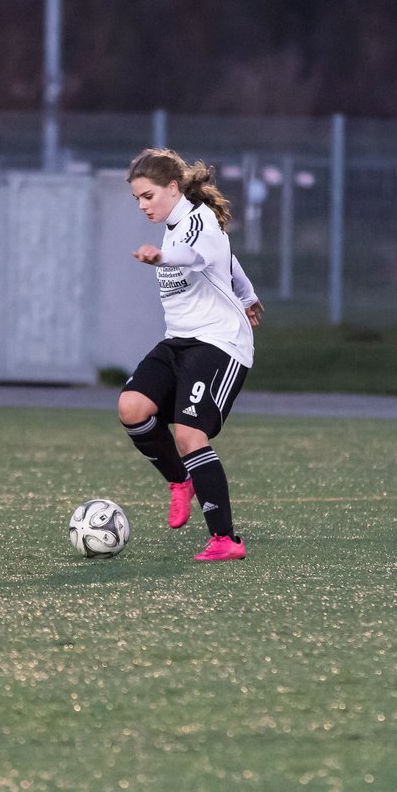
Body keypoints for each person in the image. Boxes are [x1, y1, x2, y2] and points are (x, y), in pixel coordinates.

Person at [120, 148, 263, 561]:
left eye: (148, 196)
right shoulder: (175, 224)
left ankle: (226, 540)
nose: (143, 205)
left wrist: (162, 256)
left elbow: (195, 256)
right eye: (137, 200)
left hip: (219, 342)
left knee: (188, 434)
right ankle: (181, 480)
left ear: (172, 187)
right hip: (180, 339)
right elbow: (228, 261)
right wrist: (249, 295)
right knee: (132, 407)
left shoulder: (197, 221)